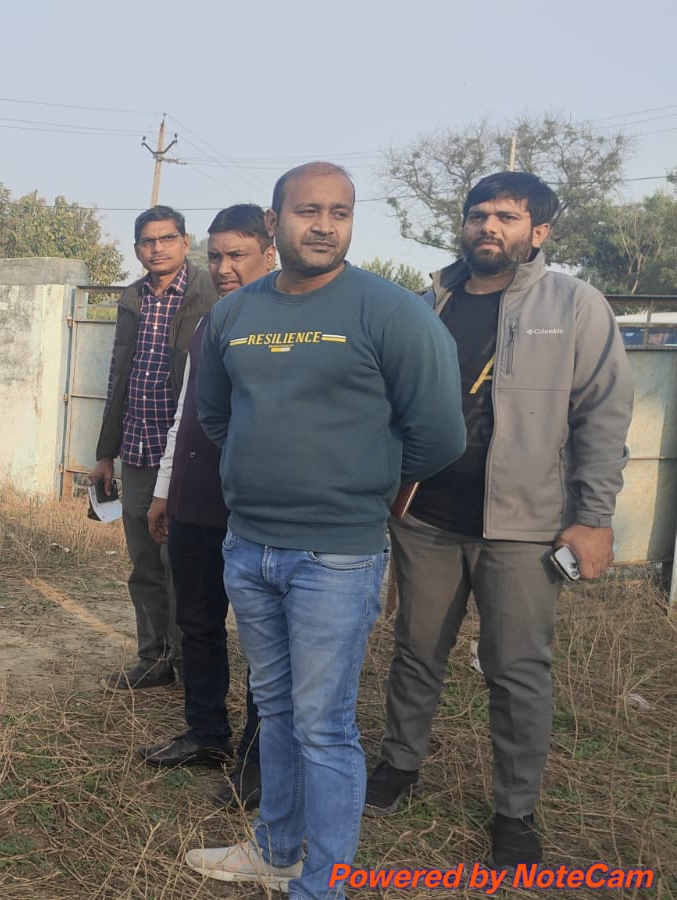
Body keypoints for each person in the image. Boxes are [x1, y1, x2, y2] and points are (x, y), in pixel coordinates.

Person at [185, 162, 465, 899]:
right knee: (275, 710)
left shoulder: (392, 312)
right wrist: (261, 476)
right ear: (273, 221)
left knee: (324, 726)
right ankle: (276, 850)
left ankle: (324, 884)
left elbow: (439, 434)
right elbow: (216, 414)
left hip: (335, 556)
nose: (325, 225)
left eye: (340, 212)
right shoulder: (234, 315)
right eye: (309, 210)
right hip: (249, 547)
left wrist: (357, 481)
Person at [365, 172, 633, 867]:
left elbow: (603, 415)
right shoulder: (429, 302)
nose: (489, 226)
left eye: (507, 217)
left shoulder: (575, 305)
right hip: (426, 518)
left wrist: (593, 517)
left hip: (524, 527)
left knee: (517, 671)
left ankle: (515, 811)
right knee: (416, 651)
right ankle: (398, 766)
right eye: (478, 214)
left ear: (538, 231)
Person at [138, 204, 272, 810]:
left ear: (269, 252)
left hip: (254, 503)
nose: (222, 268)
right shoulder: (210, 322)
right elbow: (185, 414)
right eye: (215, 256)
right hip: (195, 498)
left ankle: (258, 759)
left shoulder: (282, 324)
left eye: (236, 255)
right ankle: (207, 732)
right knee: (197, 623)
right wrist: (165, 489)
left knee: (263, 639)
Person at [92, 206, 220, 691]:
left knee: (182, 564)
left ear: (185, 242)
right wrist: (105, 452)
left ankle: (191, 665)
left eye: (167, 238)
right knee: (145, 564)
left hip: (189, 454)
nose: (157, 248)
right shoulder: (132, 298)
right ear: (137, 249)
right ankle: (154, 659)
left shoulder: (210, 294)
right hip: (138, 448)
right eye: (148, 241)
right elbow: (118, 377)